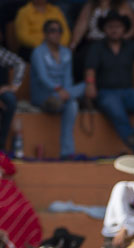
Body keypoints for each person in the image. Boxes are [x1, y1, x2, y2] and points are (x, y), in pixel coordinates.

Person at [84, 11, 134, 154]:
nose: (114, 29)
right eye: (110, 26)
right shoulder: (97, 47)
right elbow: (90, 68)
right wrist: (90, 84)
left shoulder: (130, 46)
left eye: (118, 26)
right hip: (106, 92)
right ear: (104, 29)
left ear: (124, 29)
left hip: (127, 91)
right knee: (116, 111)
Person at [31, 20, 83, 158]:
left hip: (62, 96)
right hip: (44, 95)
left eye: (59, 31)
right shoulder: (38, 51)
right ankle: (68, 152)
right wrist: (59, 89)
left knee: (76, 98)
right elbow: (42, 77)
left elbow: (68, 78)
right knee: (73, 102)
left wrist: (64, 92)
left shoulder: (66, 52)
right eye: (52, 31)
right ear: (45, 34)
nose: (56, 34)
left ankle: (66, 153)